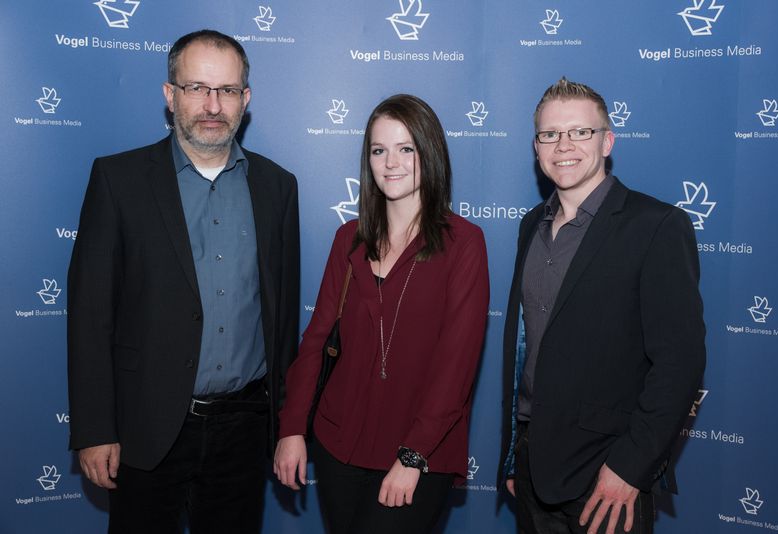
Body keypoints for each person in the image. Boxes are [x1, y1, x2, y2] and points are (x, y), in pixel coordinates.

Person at [67, 29, 299, 534]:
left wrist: (287, 426)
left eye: (228, 90)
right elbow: (90, 316)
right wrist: (93, 429)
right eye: (197, 87)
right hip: (146, 426)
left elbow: (282, 323)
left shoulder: (277, 187)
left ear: (246, 100)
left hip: (244, 427)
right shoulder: (118, 180)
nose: (213, 104)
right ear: (170, 96)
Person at [274, 94, 489, 533]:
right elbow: (316, 340)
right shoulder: (349, 239)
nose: (390, 162)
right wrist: (292, 428)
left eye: (405, 148)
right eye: (378, 150)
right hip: (338, 445)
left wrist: (414, 455)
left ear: (429, 153)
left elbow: (457, 366)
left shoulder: (463, 243)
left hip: (418, 453)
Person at [498, 78, 706, 534]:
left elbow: (680, 362)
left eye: (580, 132)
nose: (564, 145)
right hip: (534, 467)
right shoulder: (531, 225)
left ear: (607, 141)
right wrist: (516, 454)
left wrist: (631, 468)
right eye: (550, 134)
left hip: (607, 477)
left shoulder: (656, 226)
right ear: (536, 146)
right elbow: (525, 350)